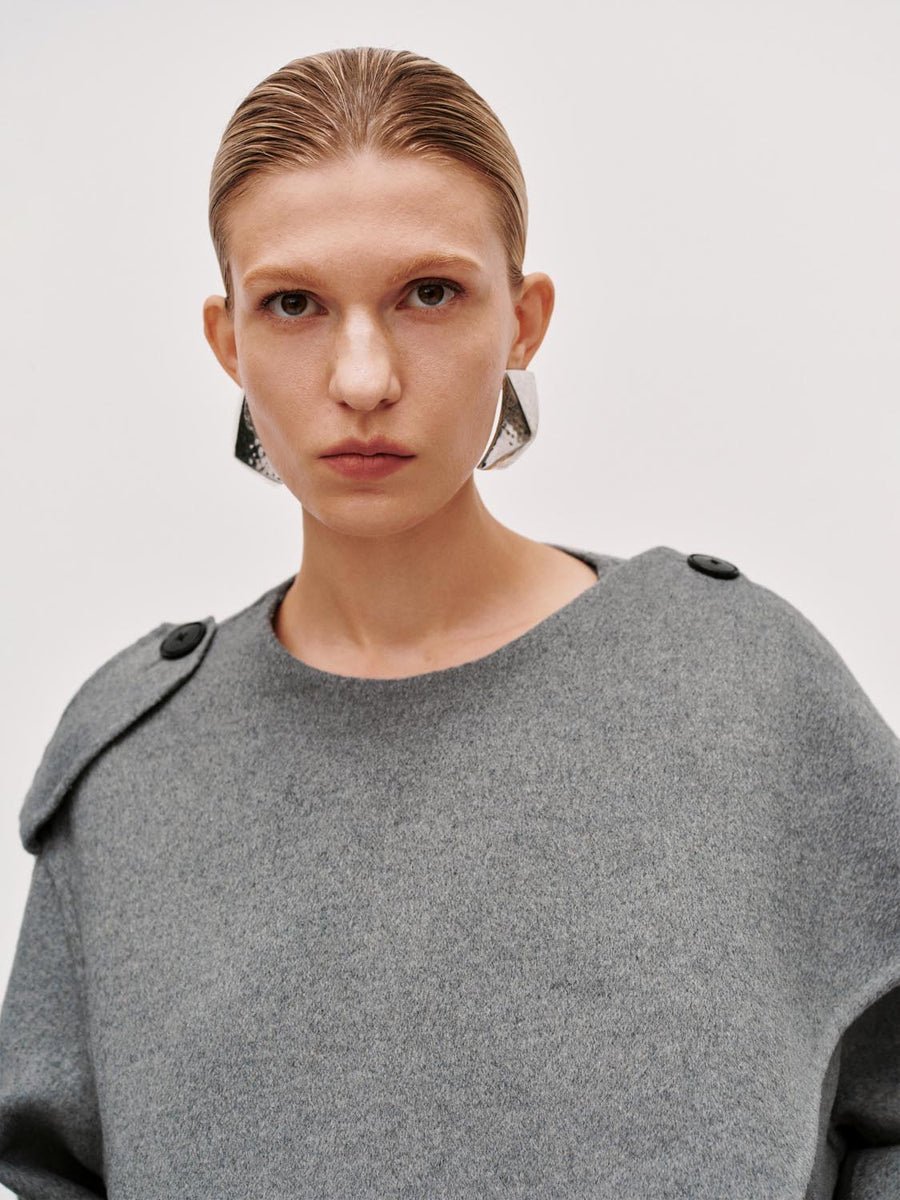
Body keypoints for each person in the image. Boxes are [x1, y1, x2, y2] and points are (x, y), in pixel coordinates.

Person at [0, 46, 897, 1200]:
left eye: (428, 293)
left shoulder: (745, 692)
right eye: (294, 304)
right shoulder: (130, 772)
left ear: (524, 319)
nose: (363, 377)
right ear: (229, 343)